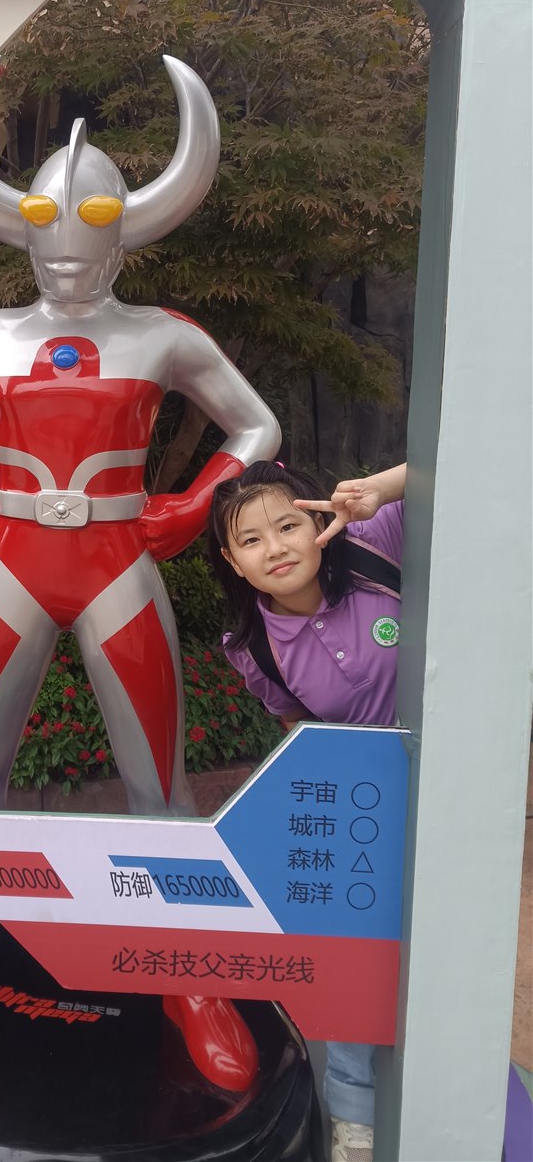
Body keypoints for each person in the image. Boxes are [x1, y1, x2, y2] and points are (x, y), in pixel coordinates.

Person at [0, 55, 281, 1094]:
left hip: (118, 562)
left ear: (122, 242)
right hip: (15, 562)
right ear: (26, 238)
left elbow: (255, 425)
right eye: (51, 256)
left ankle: (190, 981)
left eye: (87, 259)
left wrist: (195, 502)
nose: (67, 275)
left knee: (158, 787)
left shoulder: (162, 335)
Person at [206, 458, 407, 1162]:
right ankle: (355, 1119)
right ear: (232, 560)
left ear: (319, 521)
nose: (276, 548)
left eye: (288, 525)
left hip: (446, 786)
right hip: (364, 808)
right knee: (349, 955)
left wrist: (379, 489)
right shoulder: (252, 648)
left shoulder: (378, 544)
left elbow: (462, 465)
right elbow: (299, 728)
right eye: (251, 539)